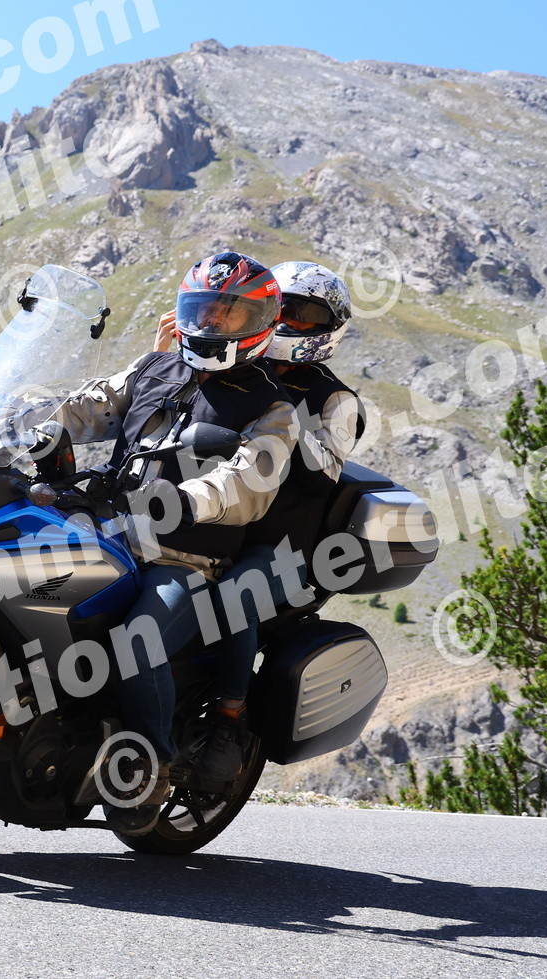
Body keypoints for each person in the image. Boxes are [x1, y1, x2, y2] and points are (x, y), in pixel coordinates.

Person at [54, 251, 298, 833]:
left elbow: (249, 480)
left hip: (185, 559)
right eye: (204, 308)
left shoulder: (271, 405)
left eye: (229, 312)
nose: (213, 321)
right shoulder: (153, 369)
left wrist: (187, 499)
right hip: (105, 534)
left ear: (259, 322)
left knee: (138, 642)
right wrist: (16, 421)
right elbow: (86, 408)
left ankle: (154, 765)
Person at [192, 260, 363, 786]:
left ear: (328, 329)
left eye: (304, 314)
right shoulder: (231, 365)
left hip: (281, 548)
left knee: (234, 597)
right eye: (281, 308)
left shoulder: (335, 398)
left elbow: (325, 468)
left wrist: (279, 415)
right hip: (212, 525)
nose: (289, 321)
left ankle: (229, 717)